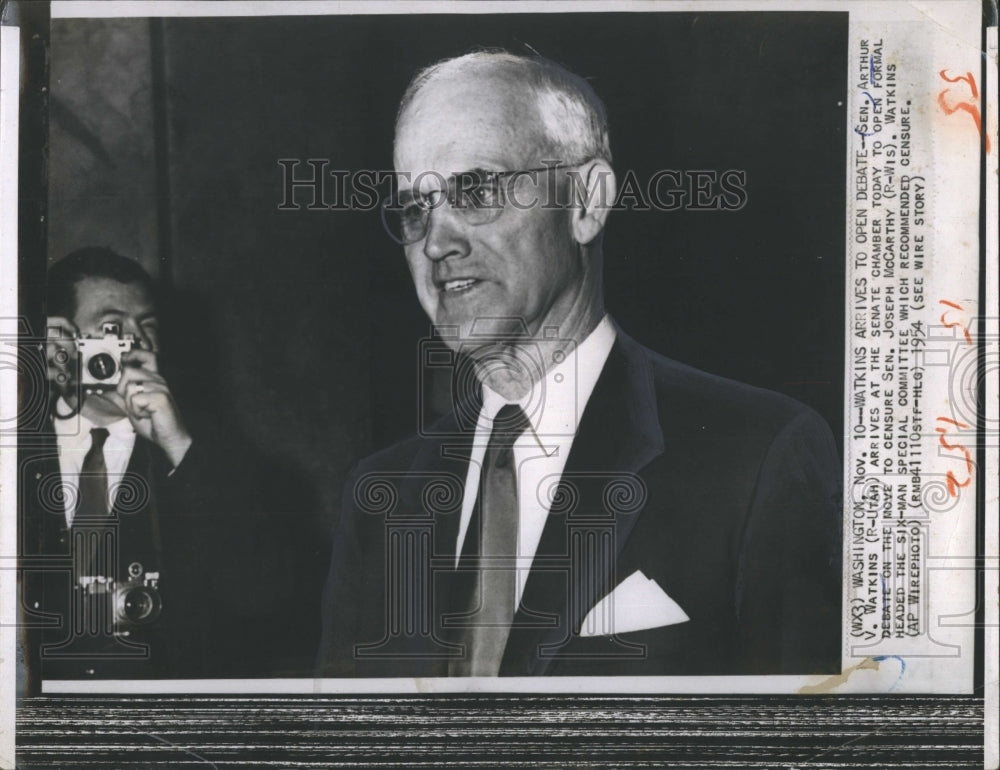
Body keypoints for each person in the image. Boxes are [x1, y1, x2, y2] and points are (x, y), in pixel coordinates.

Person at [317, 51, 842, 677]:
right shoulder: (381, 494)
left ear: (587, 202)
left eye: (476, 189)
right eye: (414, 208)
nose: (436, 242)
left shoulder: (758, 458)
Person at [18, 247, 292, 686]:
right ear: (58, 350)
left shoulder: (203, 457)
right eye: (113, 328)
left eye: (148, 329)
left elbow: (259, 598)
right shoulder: (16, 452)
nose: (138, 344)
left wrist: (177, 446)